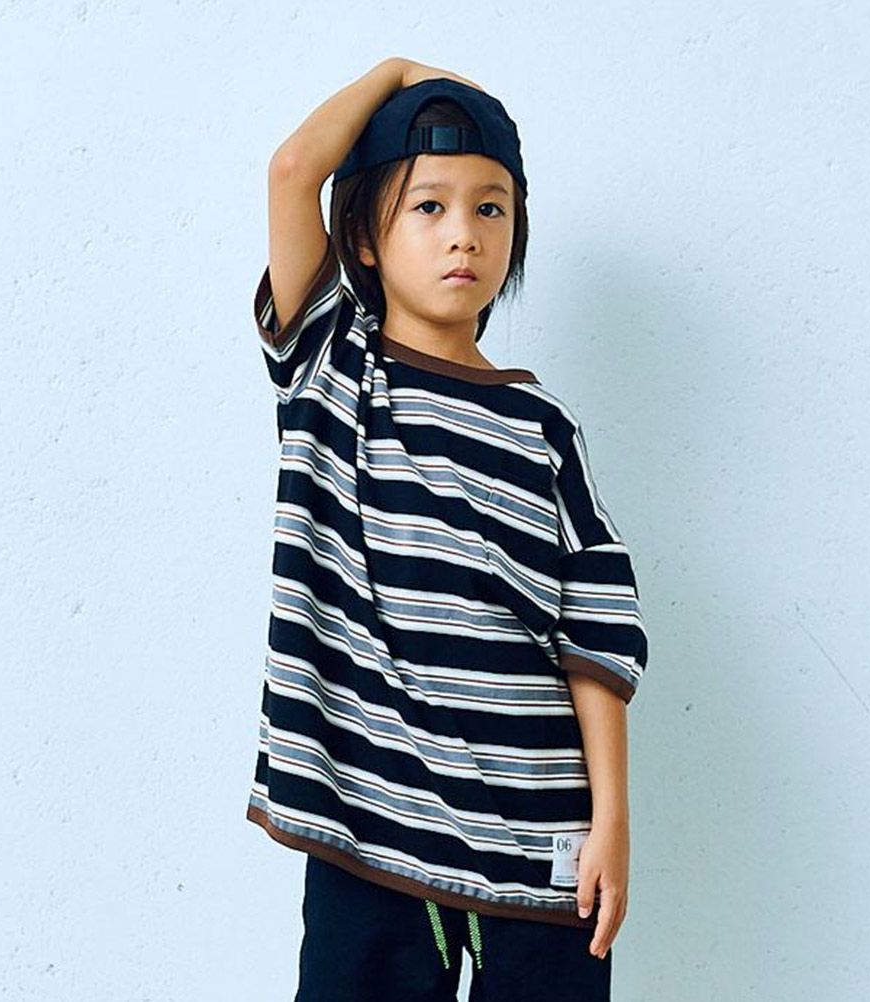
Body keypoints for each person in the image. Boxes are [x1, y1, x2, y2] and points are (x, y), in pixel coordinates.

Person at [245, 56, 650, 1002]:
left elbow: (596, 634)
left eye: (490, 208)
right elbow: (294, 170)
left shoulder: (542, 428)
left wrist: (613, 824)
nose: (463, 233)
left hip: (538, 841)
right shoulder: (332, 368)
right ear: (365, 237)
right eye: (428, 206)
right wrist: (395, 71)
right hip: (370, 831)